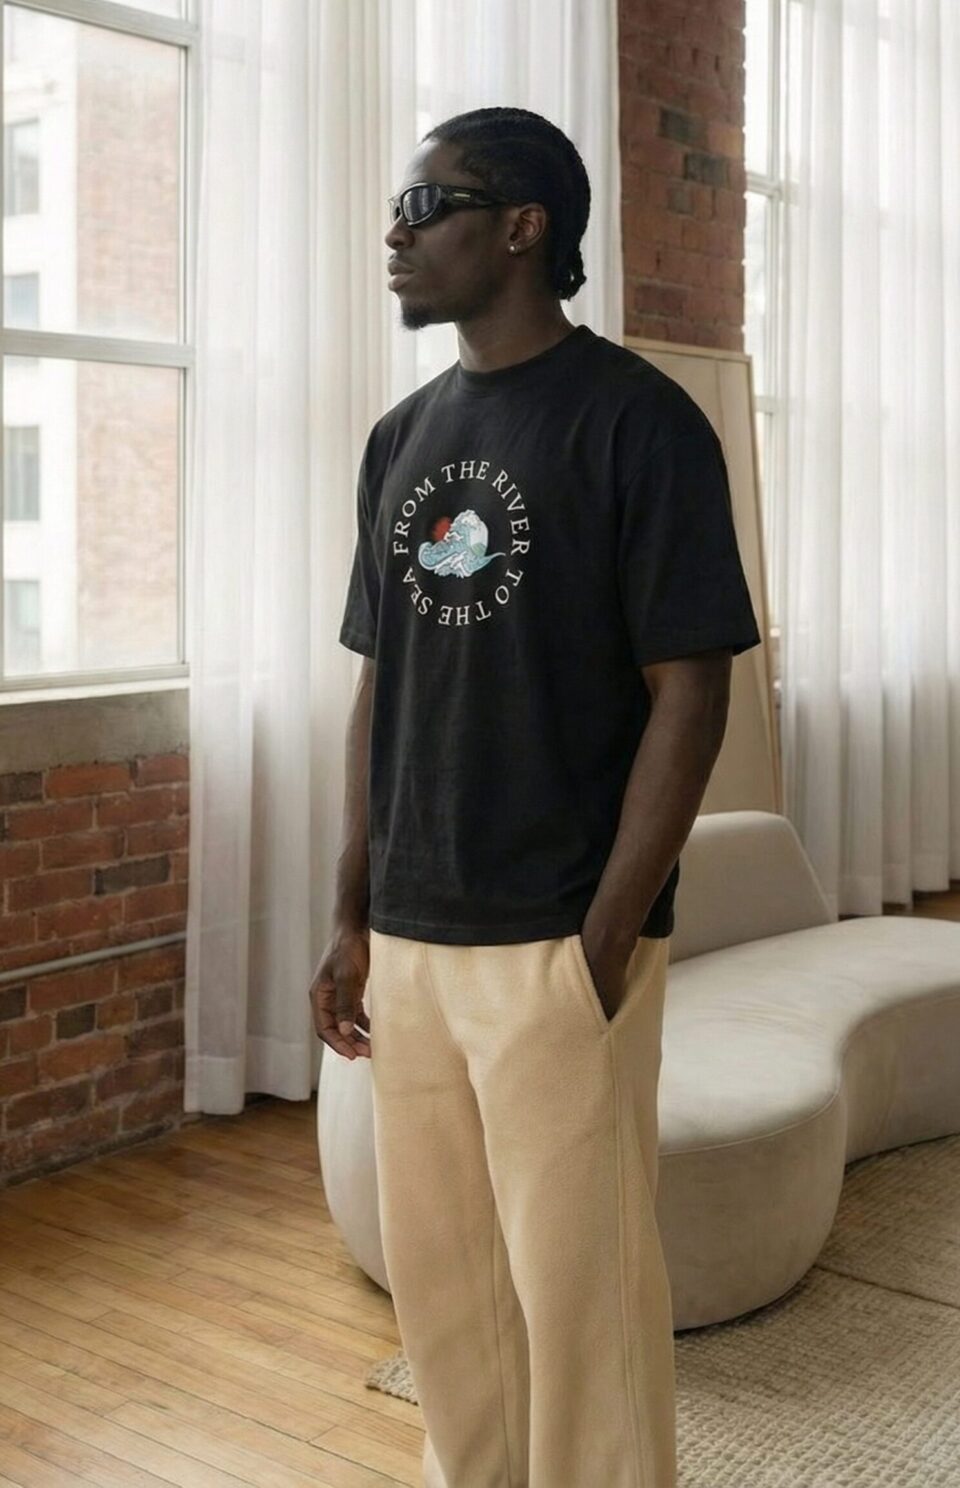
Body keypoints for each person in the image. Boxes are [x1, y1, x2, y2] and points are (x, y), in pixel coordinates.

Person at [310, 105, 762, 1488]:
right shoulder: (401, 438)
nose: (395, 233)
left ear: (523, 227)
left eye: (424, 203)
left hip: (560, 934)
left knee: (583, 1298)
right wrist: (351, 908)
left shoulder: (640, 422)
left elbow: (691, 692)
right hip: (414, 934)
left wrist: (606, 937)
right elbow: (381, 685)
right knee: (446, 1291)